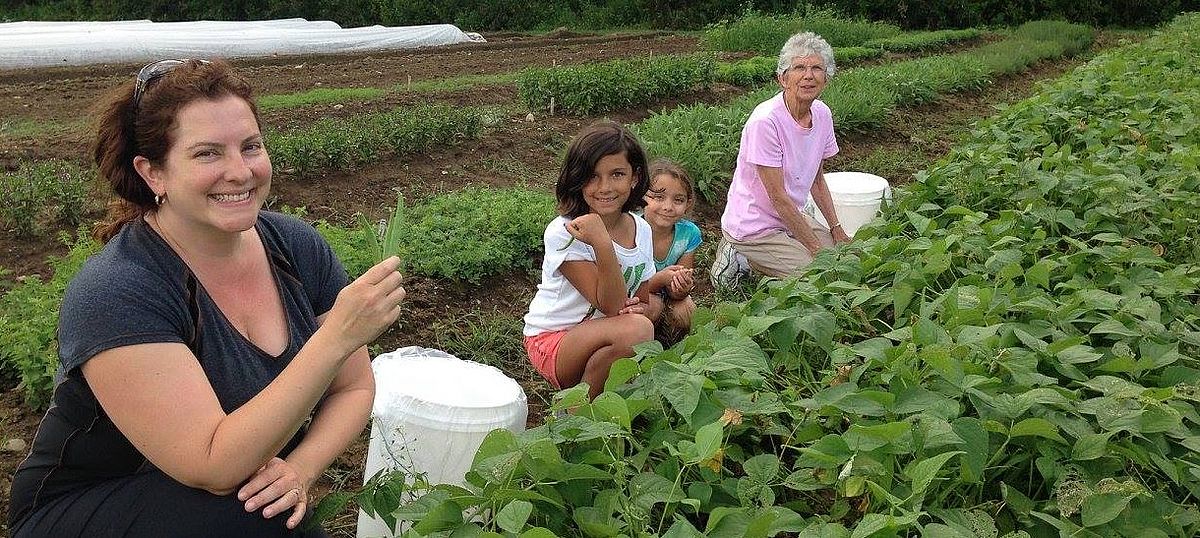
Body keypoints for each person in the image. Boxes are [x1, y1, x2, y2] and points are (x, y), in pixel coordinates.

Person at [8, 59, 406, 537]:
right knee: (260, 521)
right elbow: (214, 466)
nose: (239, 172)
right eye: (207, 154)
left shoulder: (295, 247)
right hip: (88, 504)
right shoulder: (119, 290)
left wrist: (299, 470)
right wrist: (336, 337)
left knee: (273, 509)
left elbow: (353, 389)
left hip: (218, 490)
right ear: (154, 173)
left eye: (251, 147)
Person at [522, 121, 685, 400]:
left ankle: (595, 395)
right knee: (636, 331)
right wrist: (601, 241)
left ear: (635, 178)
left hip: (604, 333)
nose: (605, 187)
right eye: (592, 176)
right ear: (577, 178)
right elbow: (610, 306)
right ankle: (574, 414)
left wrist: (640, 308)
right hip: (555, 341)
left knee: (647, 317)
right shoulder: (566, 232)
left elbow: (643, 298)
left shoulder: (641, 228)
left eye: (617, 174)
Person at [717, 32, 851, 278]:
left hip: (789, 217)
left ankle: (771, 259)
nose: (808, 75)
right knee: (819, 274)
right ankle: (741, 257)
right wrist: (815, 249)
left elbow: (817, 181)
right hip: (755, 226)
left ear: (826, 79)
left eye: (817, 68)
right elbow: (777, 197)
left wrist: (837, 229)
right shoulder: (766, 122)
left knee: (842, 258)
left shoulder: (822, 115)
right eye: (799, 67)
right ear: (783, 78)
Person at [643, 158, 700, 340]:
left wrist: (682, 286)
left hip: (666, 295)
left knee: (687, 311)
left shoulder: (688, 234)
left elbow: (679, 292)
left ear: (687, 204)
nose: (668, 207)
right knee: (651, 307)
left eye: (678, 200)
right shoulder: (631, 228)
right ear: (643, 196)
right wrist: (661, 279)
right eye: (659, 197)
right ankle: (639, 345)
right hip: (638, 294)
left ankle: (670, 345)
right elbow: (630, 287)